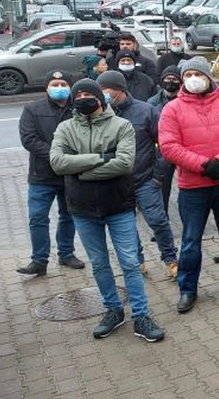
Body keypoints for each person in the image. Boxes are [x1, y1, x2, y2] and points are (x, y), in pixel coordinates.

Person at [49, 79, 164, 342]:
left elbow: (124, 163)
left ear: (101, 97)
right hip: (82, 208)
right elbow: (57, 162)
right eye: (78, 95)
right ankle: (113, 310)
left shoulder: (121, 126)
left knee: (130, 263)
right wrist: (103, 158)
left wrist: (79, 170)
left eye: (89, 93)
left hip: (118, 204)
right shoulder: (65, 128)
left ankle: (141, 315)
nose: (83, 98)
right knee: (99, 264)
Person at [158, 56, 219, 314]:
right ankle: (188, 289)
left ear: (209, 77)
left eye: (198, 74)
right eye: (188, 75)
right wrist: (204, 165)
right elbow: (169, 147)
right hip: (193, 185)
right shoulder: (172, 109)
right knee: (191, 240)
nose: (194, 79)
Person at [97, 71, 179, 279]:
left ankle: (171, 259)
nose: (102, 95)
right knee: (126, 226)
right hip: (116, 182)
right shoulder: (101, 114)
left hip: (145, 180)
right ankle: (137, 261)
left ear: (120, 89)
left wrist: (158, 175)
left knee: (158, 221)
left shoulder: (146, 111)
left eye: (106, 91)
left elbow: (164, 144)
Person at [17, 70, 84, 276]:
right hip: (41, 176)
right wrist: (57, 156)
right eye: (54, 84)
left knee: (68, 216)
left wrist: (70, 160)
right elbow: (29, 139)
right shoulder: (32, 109)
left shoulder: (79, 108)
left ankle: (66, 253)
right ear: (47, 87)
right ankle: (39, 260)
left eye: (63, 84)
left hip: (70, 175)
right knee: (37, 218)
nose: (59, 88)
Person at [149, 66, 182, 211]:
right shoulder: (152, 103)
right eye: (168, 79)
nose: (171, 82)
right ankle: (163, 222)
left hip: (184, 148)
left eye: (175, 79)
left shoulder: (186, 101)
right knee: (162, 188)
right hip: (162, 150)